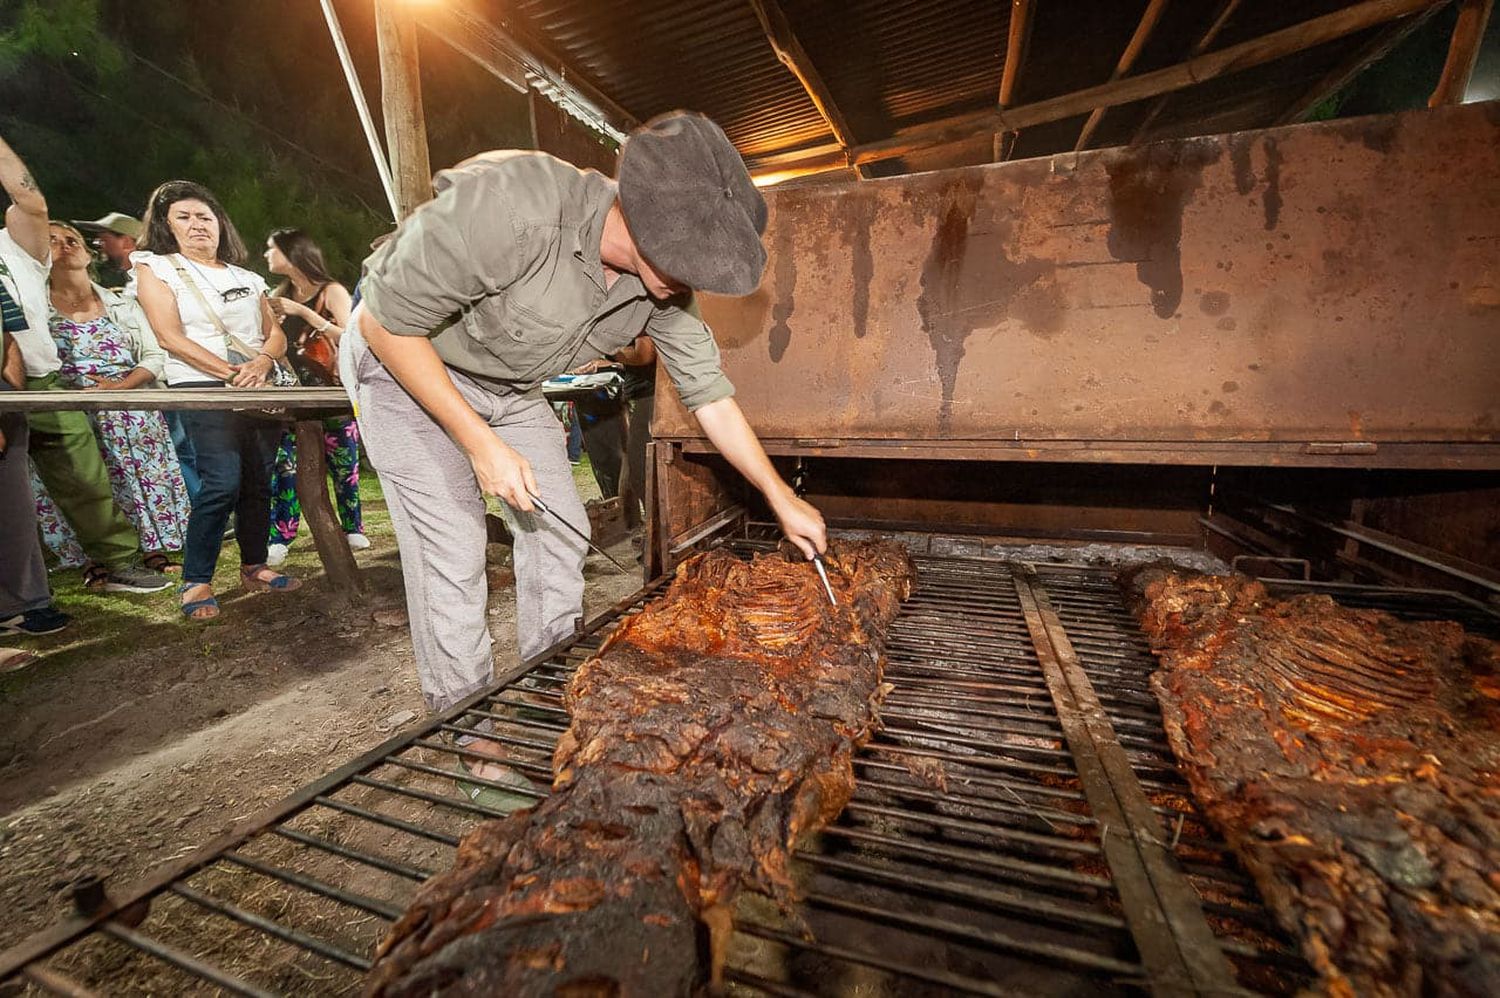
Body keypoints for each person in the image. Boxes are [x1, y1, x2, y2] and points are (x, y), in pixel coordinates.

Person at [342, 111, 826, 800]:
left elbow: (710, 396)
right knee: (453, 547)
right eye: (686, 263)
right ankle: (470, 732)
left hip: (506, 381)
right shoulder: (514, 205)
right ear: (641, 219)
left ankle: (555, 690)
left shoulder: (663, 292)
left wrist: (782, 497)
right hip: (401, 361)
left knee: (560, 536)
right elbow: (383, 321)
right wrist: (479, 445)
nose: (693, 283)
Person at [0, 130, 172, 595]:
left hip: (40, 379)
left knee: (85, 476)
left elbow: (30, 199)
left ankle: (117, 562)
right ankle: (20, 599)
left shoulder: (15, 245)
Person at [132, 180, 301, 620]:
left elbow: (275, 333)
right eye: (184, 218)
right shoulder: (155, 267)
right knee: (220, 482)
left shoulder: (247, 277)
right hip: (201, 386)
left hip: (258, 382)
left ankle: (254, 565)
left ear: (221, 225)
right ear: (167, 226)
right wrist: (232, 375)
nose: (197, 225)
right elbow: (169, 337)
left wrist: (261, 364)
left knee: (259, 481)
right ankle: (196, 579)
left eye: (204, 217)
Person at [29, 222, 190, 571]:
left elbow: (153, 356)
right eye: (52, 241)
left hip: (128, 407)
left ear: (88, 255)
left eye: (72, 240)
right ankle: (93, 561)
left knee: (135, 476)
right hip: (70, 410)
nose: (65, 246)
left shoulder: (121, 302)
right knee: (81, 481)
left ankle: (152, 549)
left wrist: (121, 387)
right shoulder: (35, 310)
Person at [262, 228, 364, 565]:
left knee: (342, 461)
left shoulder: (331, 291)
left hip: (332, 390)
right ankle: (282, 534)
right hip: (292, 392)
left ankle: (353, 527)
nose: (266, 255)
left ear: (293, 254)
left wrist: (305, 313)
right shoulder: (278, 294)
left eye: (271, 249)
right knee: (286, 466)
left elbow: (351, 336)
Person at [2, 263, 70, 643]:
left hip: (7, 399)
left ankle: (21, 603)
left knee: (16, 509)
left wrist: (10, 393)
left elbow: (8, 335)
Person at [74, 211, 141, 290]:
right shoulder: (105, 277)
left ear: (126, 243)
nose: (97, 244)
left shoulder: (153, 278)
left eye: (103, 240)